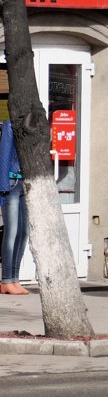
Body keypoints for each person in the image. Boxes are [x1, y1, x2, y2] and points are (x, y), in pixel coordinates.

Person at [0, 120, 30, 295]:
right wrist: (3, 186)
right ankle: (6, 280)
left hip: (24, 183)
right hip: (11, 183)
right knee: (11, 231)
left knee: (24, 231)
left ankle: (15, 279)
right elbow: (4, 156)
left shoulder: (31, 126)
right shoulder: (10, 126)